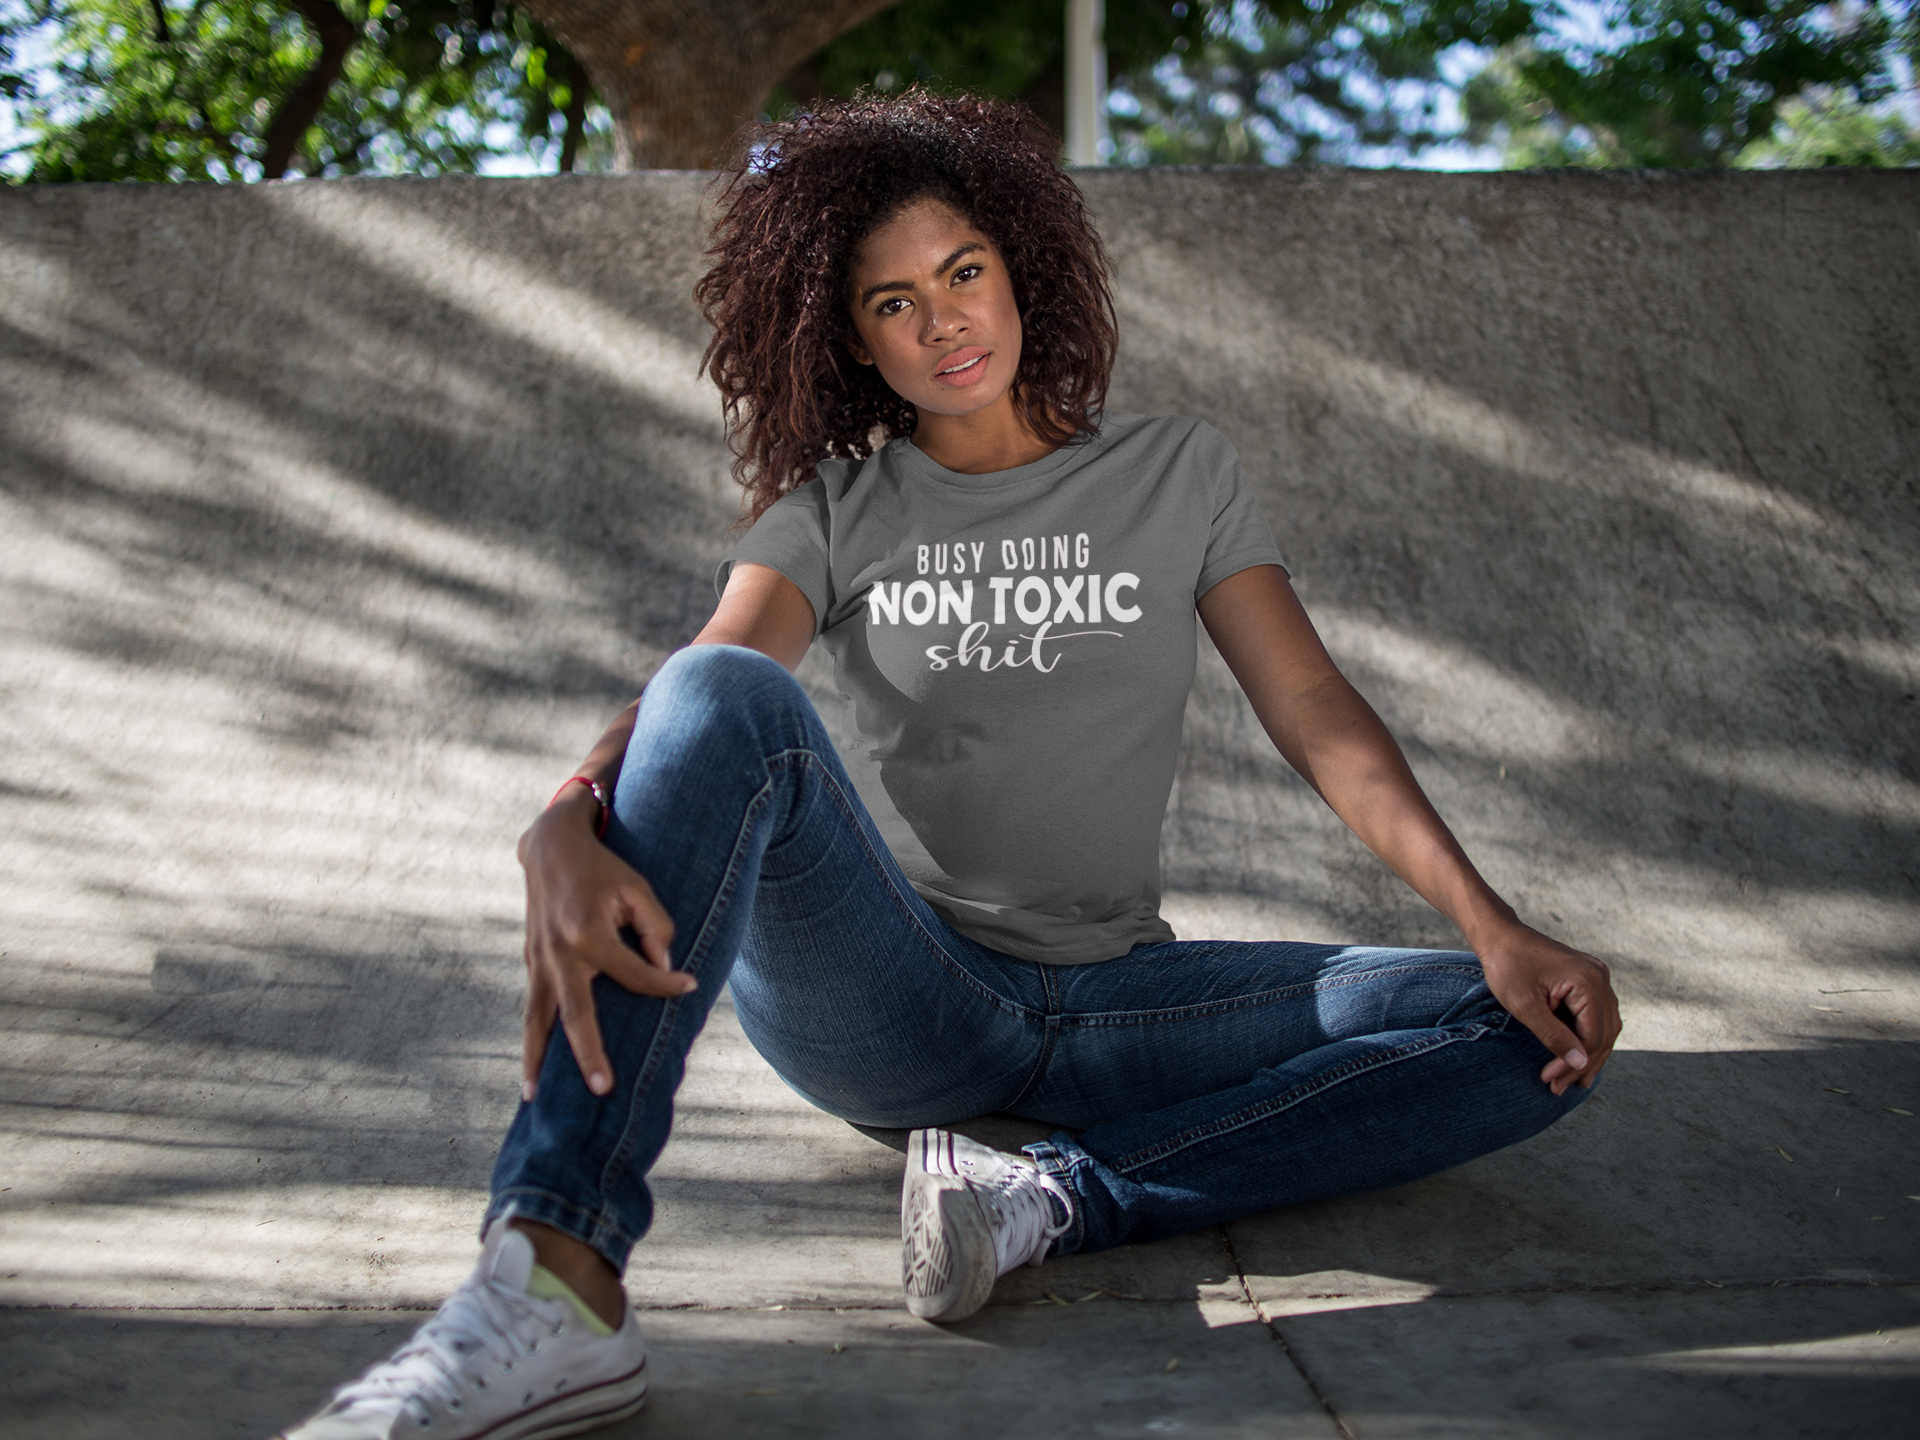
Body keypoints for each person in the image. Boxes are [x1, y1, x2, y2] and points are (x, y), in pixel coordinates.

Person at [278, 90, 1621, 1440]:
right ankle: (556, 1281)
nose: (942, 321)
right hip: (902, 996)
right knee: (725, 691)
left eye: (963, 272)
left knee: (1528, 1028)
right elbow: (705, 684)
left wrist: (1490, 923)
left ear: (1019, 267)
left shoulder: (1179, 472)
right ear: (853, 340)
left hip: (1121, 1001)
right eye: (893, 302)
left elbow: (1313, 704)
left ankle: (1050, 1196)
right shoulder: (834, 511)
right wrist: (572, 805)